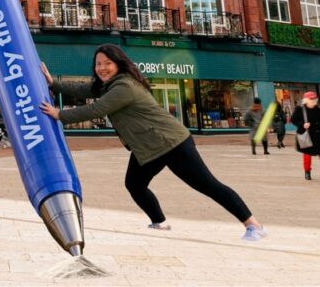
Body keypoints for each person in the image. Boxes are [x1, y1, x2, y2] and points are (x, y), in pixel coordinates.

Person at [39, 44, 266, 241]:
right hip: (147, 147)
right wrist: (53, 84)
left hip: (171, 142)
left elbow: (96, 109)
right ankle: (159, 222)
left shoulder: (124, 86)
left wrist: (59, 115)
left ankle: (253, 225)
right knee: (135, 185)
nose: (102, 68)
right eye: (98, 64)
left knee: (207, 185)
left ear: (118, 64)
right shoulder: (109, 85)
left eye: (107, 63)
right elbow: (84, 89)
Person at [290, 91, 320, 180]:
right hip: (306, 135)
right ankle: (307, 172)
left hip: (318, 135)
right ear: (306, 100)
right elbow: (293, 120)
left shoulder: (318, 109)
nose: (314, 101)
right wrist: (302, 124)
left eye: (315, 99)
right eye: (312, 99)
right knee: (307, 155)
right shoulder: (300, 109)